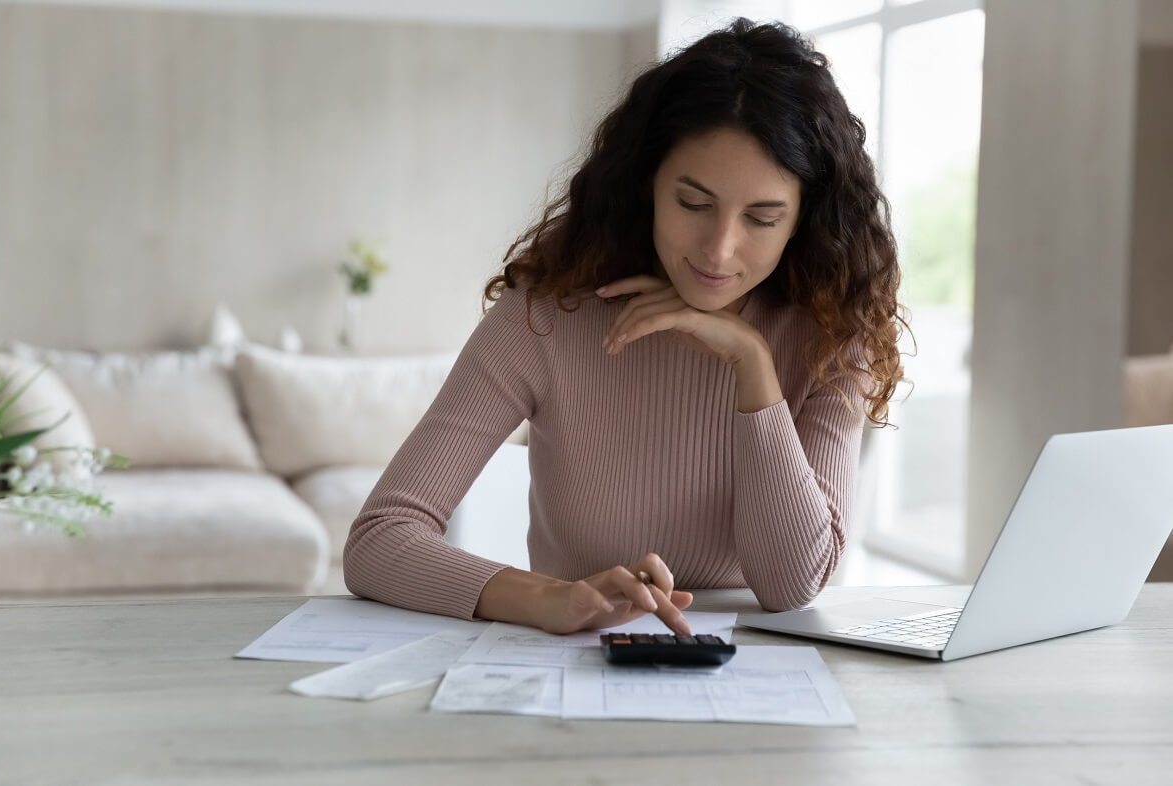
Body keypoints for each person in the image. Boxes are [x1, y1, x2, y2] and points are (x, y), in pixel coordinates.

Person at [344, 18, 906, 637]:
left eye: (762, 218)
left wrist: (753, 366)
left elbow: (791, 586)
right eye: (693, 204)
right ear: (647, 187)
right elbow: (379, 541)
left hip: (757, 690)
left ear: (803, 218)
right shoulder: (546, 320)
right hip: (574, 680)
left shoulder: (833, 334)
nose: (719, 251)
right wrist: (548, 598)